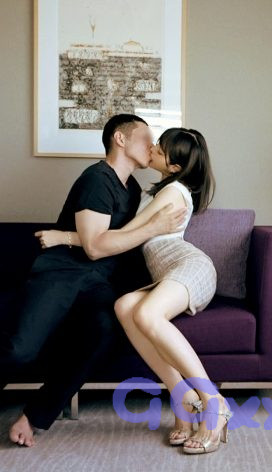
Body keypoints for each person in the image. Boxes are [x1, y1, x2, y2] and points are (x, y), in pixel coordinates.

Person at [36, 128, 233, 455]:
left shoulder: (175, 191)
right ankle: (183, 400)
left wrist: (63, 237)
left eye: (161, 148)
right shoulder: (153, 193)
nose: (153, 148)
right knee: (125, 306)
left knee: (146, 313)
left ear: (174, 167)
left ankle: (213, 401)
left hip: (190, 267)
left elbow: (123, 235)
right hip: (169, 273)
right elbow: (117, 236)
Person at [0, 114, 186, 447]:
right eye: (146, 137)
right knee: (21, 350)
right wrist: (155, 226)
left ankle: (34, 415)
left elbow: (119, 239)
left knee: (104, 333)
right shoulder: (97, 179)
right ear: (120, 139)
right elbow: (96, 247)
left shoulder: (133, 189)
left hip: (99, 281)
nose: (152, 145)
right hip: (63, 273)